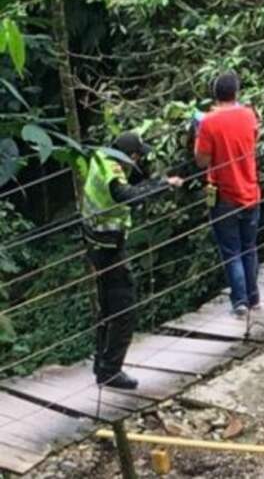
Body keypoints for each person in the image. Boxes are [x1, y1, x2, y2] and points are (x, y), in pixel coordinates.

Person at [81, 132, 183, 389]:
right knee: (123, 308)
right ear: (130, 155)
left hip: (97, 243)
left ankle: (102, 365)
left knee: (108, 308)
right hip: (108, 247)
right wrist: (163, 186)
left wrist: (155, 181)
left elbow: (131, 184)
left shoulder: (101, 157)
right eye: (137, 156)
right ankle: (111, 370)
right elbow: (126, 194)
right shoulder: (112, 169)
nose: (137, 161)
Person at [195, 73, 262, 316]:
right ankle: (254, 298)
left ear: (215, 94)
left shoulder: (208, 122)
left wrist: (198, 133)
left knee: (231, 252)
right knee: (249, 247)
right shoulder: (249, 114)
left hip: (224, 196)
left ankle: (240, 302)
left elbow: (202, 161)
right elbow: (254, 140)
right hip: (250, 191)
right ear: (236, 92)